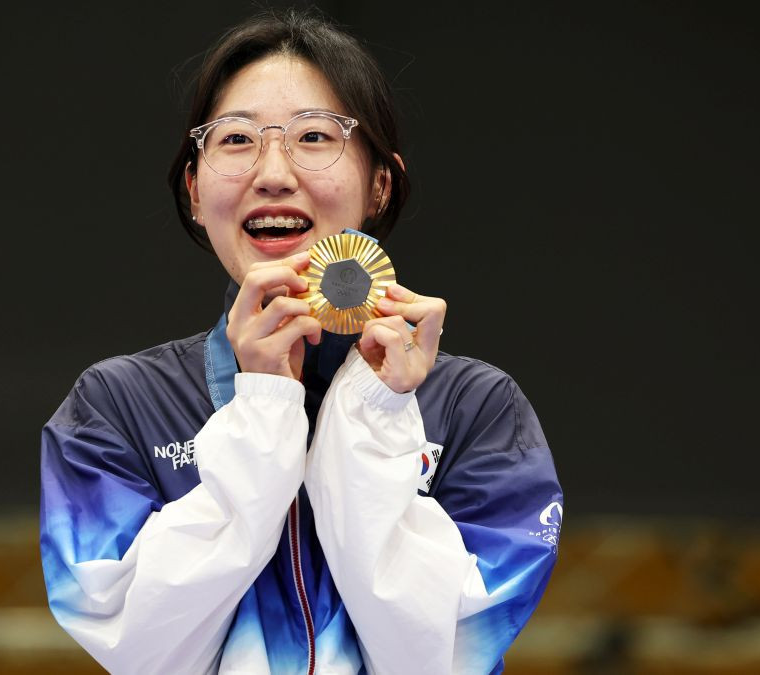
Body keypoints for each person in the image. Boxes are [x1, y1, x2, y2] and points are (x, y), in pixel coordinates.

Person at [40, 9, 562, 674]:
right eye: (236, 140)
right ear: (195, 191)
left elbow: (447, 656)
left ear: (382, 183)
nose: (273, 171)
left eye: (314, 135)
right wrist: (261, 408)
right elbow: (141, 649)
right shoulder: (116, 406)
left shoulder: (476, 408)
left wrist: (375, 412)